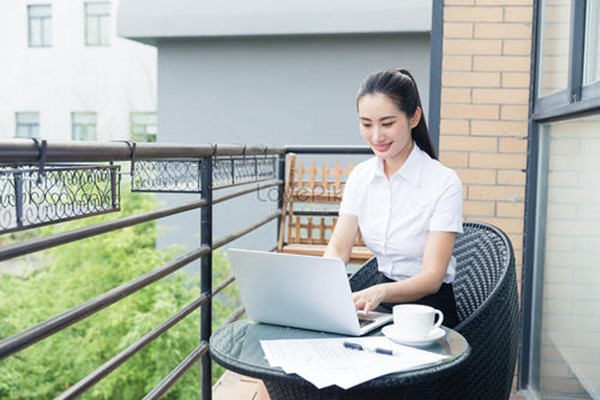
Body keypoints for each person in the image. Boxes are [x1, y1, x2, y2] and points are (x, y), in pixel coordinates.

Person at [324, 68, 463, 328]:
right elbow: (339, 247)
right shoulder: (361, 177)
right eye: (366, 124)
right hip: (380, 302)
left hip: (429, 310)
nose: (376, 136)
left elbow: (433, 277)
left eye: (387, 124)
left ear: (414, 118)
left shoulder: (443, 183)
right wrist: (325, 281)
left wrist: (380, 293)